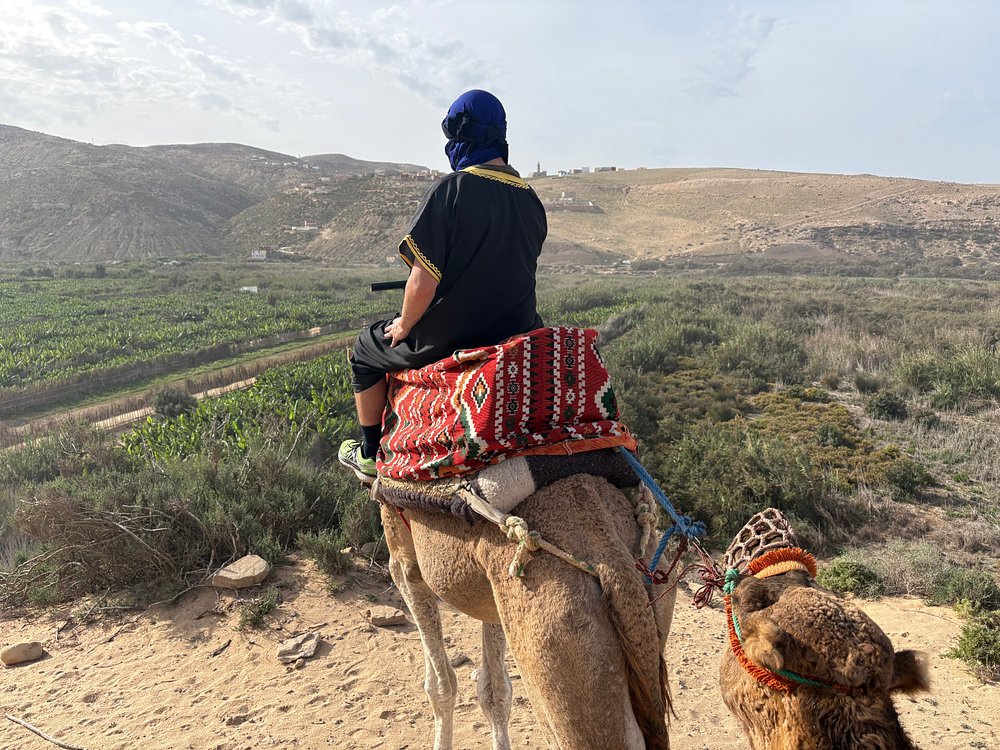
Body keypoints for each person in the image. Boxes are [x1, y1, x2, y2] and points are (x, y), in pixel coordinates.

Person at [338, 89, 547, 482]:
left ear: (460, 136)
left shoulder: (452, 189)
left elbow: (422, 282)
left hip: (457, 336)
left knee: (365, 349)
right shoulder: (531, 200)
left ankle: (369, 454)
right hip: (518, 328)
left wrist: (404, 324)